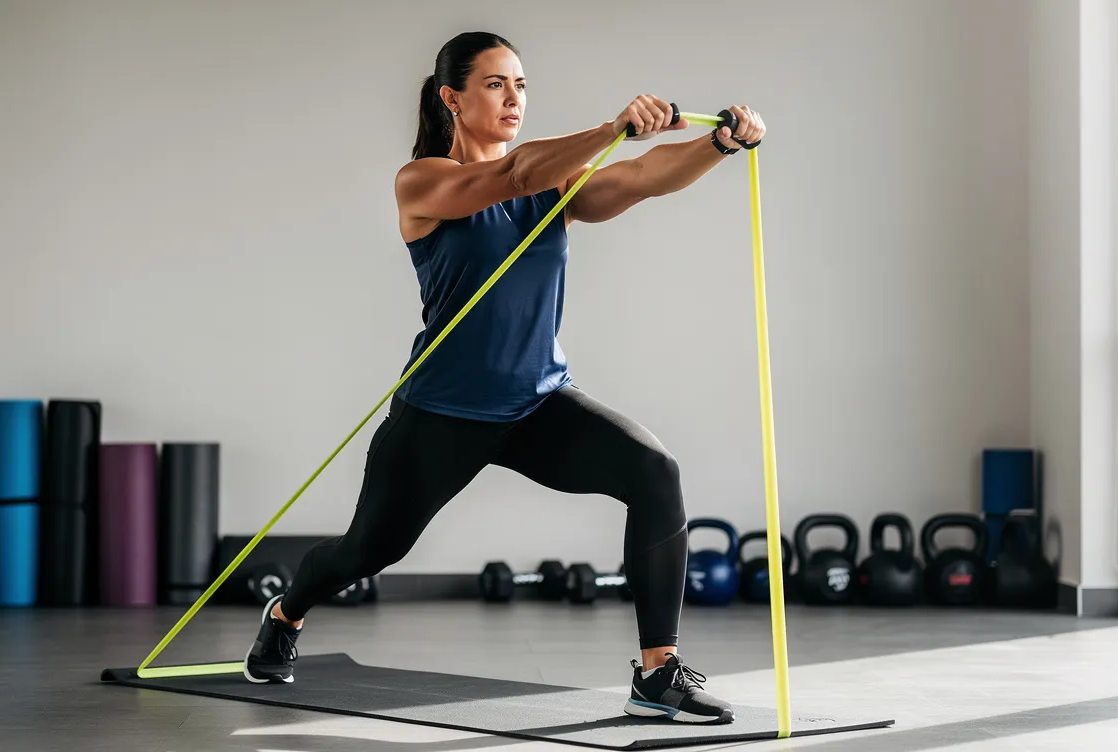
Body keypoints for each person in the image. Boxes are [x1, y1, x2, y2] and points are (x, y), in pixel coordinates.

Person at [244, 31, 765, 725]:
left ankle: (656, 671)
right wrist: (615, 128)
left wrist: (720, 145)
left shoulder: (559, 183)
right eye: (495, 84)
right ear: (451, 98)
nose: (514, 97)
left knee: (654, 471)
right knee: (369, 550)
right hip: (442, 414)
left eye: (521, 84)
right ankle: (287, 611)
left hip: (536, 404)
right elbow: (512, 175)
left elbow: (642, 178)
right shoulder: (422, 181)